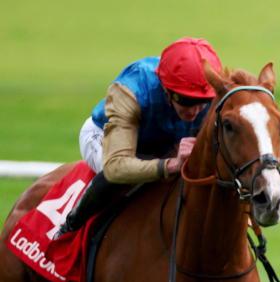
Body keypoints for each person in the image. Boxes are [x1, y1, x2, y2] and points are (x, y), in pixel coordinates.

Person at [57, 37, 223, 236]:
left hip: (163, 143)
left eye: (203, 102)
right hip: (105, 138)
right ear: (166, 89)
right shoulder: (132, 89)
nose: (195, 111)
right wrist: (170, 165)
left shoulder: (215, 95)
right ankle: (70, 227)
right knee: (117, 180)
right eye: (186, 101)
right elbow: (116, 167)